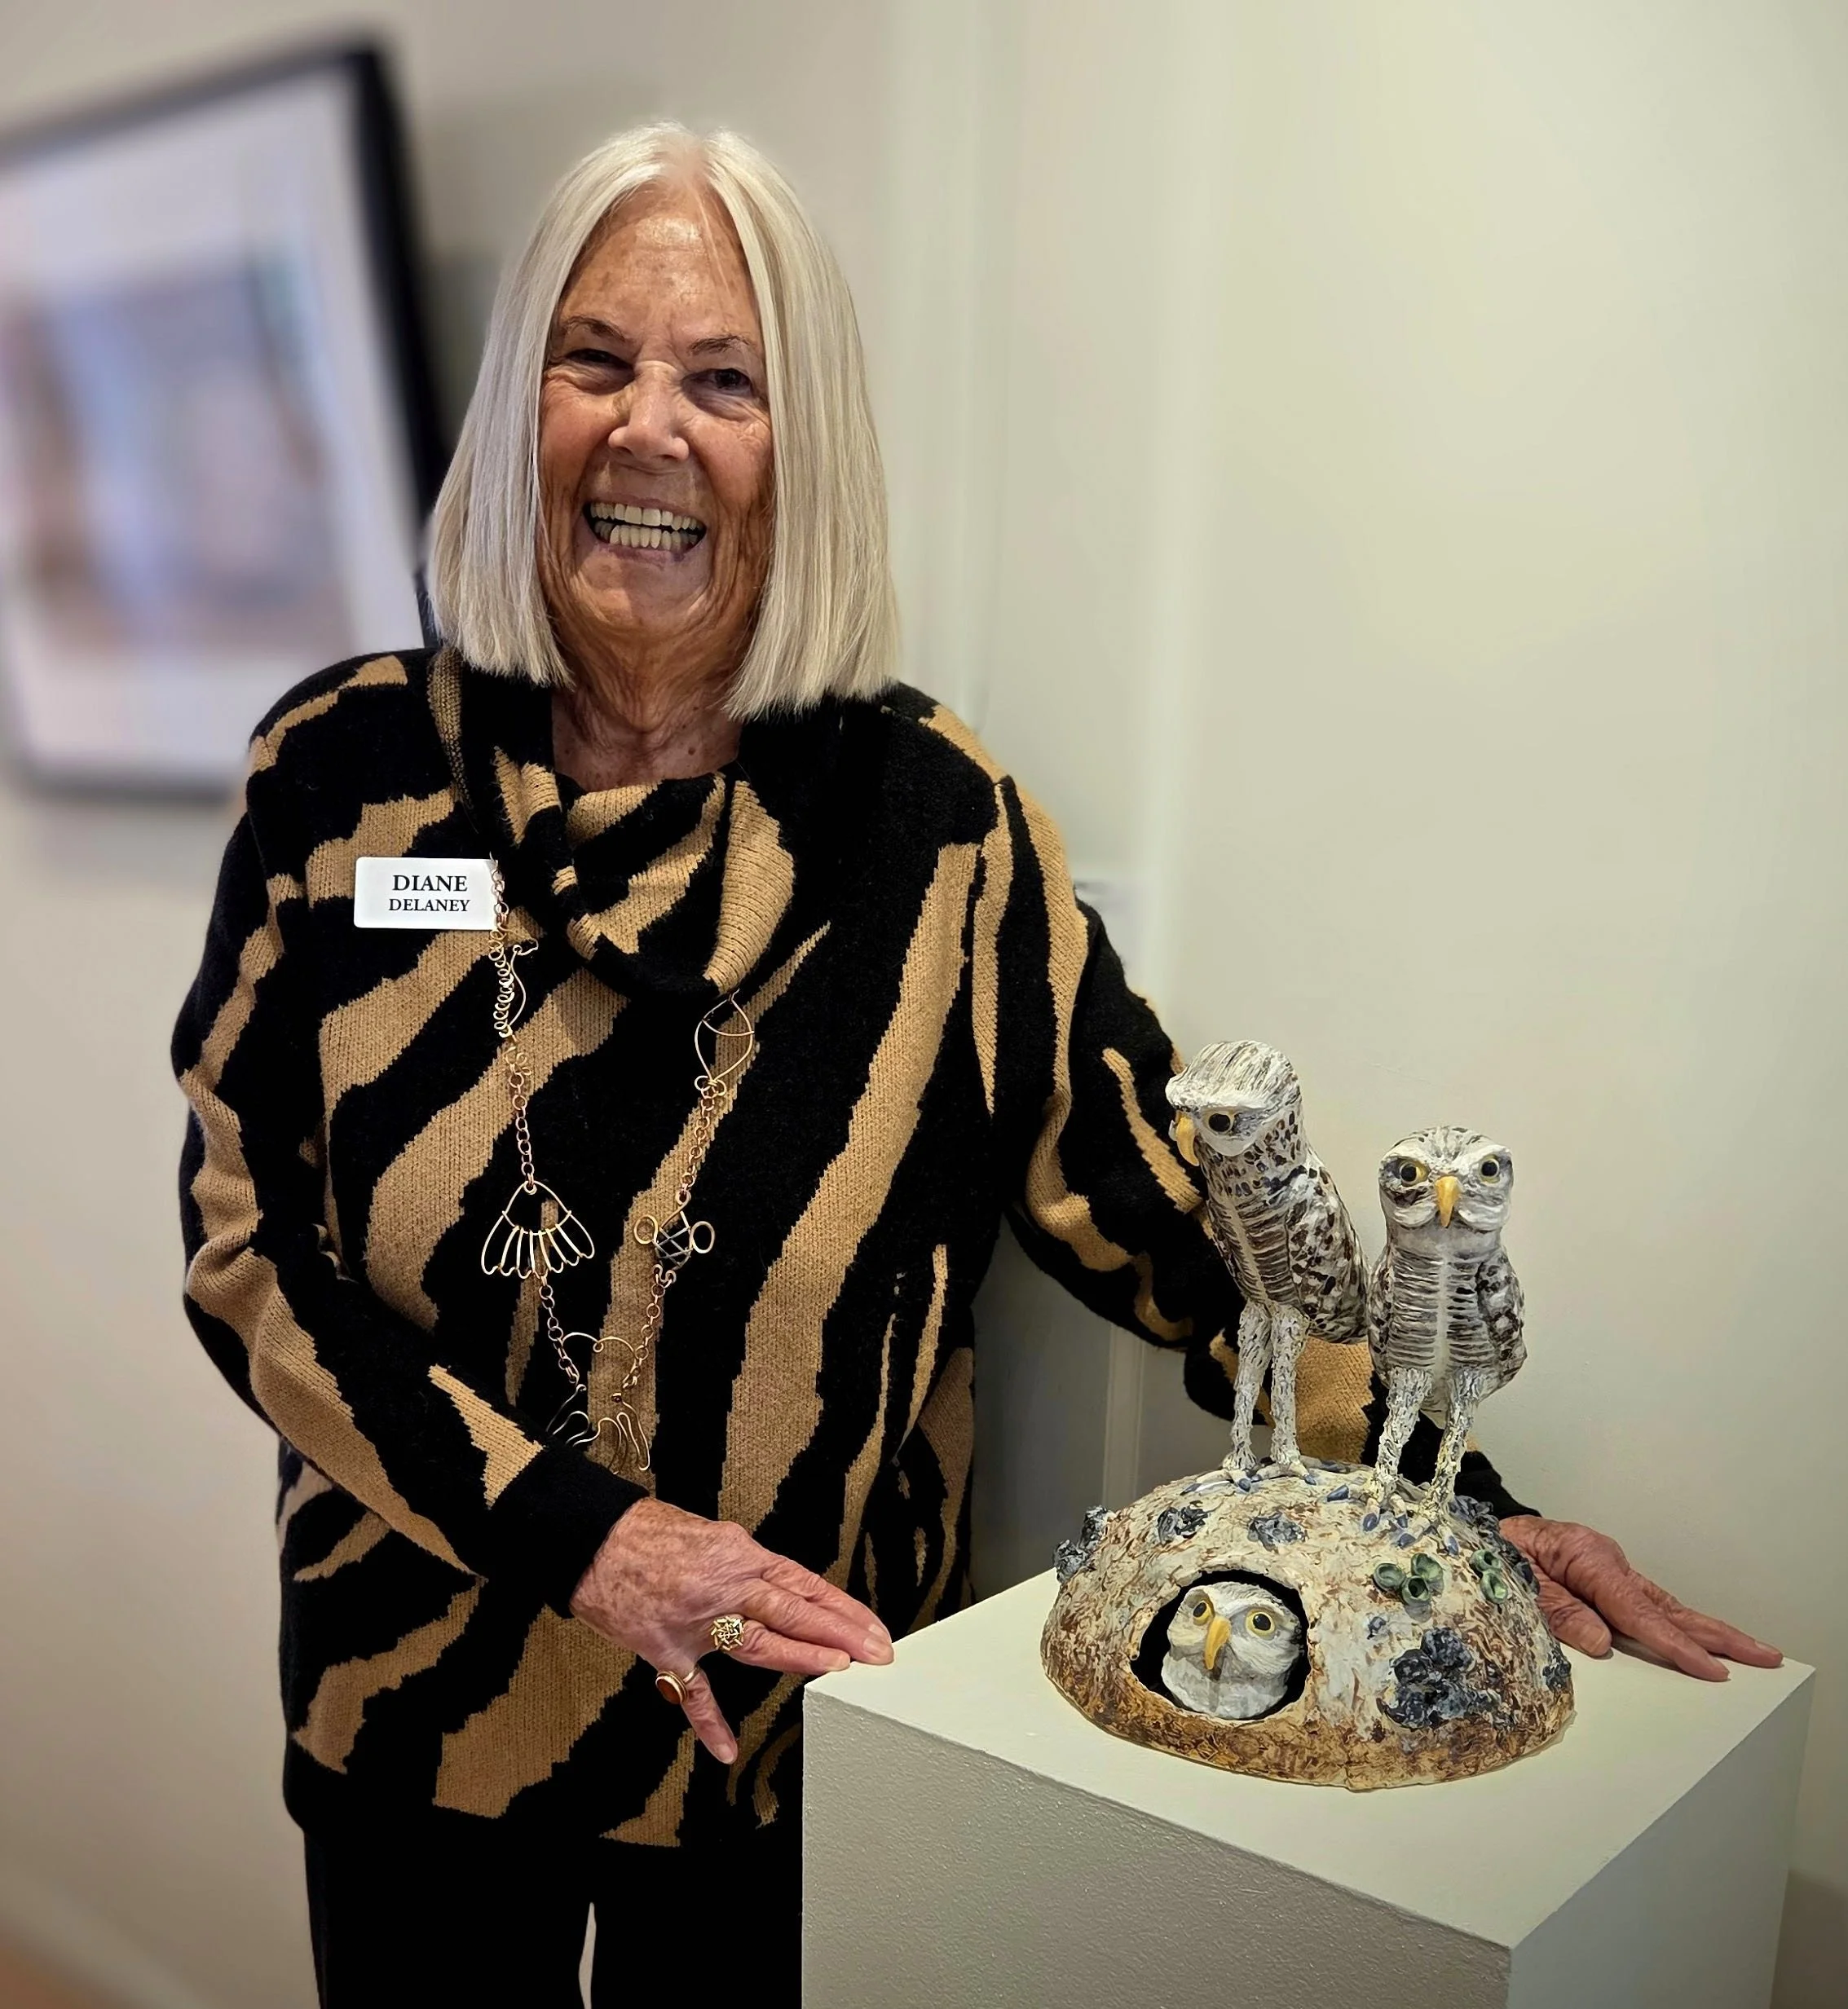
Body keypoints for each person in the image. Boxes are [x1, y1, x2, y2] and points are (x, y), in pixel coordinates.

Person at [172, 122, 1780, 2008]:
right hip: (413, 1697)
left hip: (786, 1736)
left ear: (808, 449)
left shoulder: (935, 827)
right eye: (590, 360)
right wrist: (582, 1538)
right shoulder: (343, 769)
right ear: (517, 400)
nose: (647, 428)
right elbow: (245, 1244)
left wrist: (1465, 1502)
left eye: (725, 381)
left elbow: (1175, 1218)